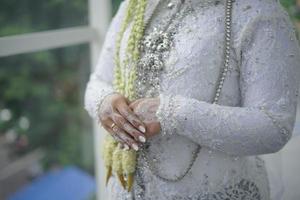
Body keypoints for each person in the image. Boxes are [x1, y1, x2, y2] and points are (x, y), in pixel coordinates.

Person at [84, 0, 300, 199]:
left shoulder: (257, 11)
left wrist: (172, 113)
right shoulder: (134, 5)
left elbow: (274, 125)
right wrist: (105, 102)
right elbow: (98, 81)